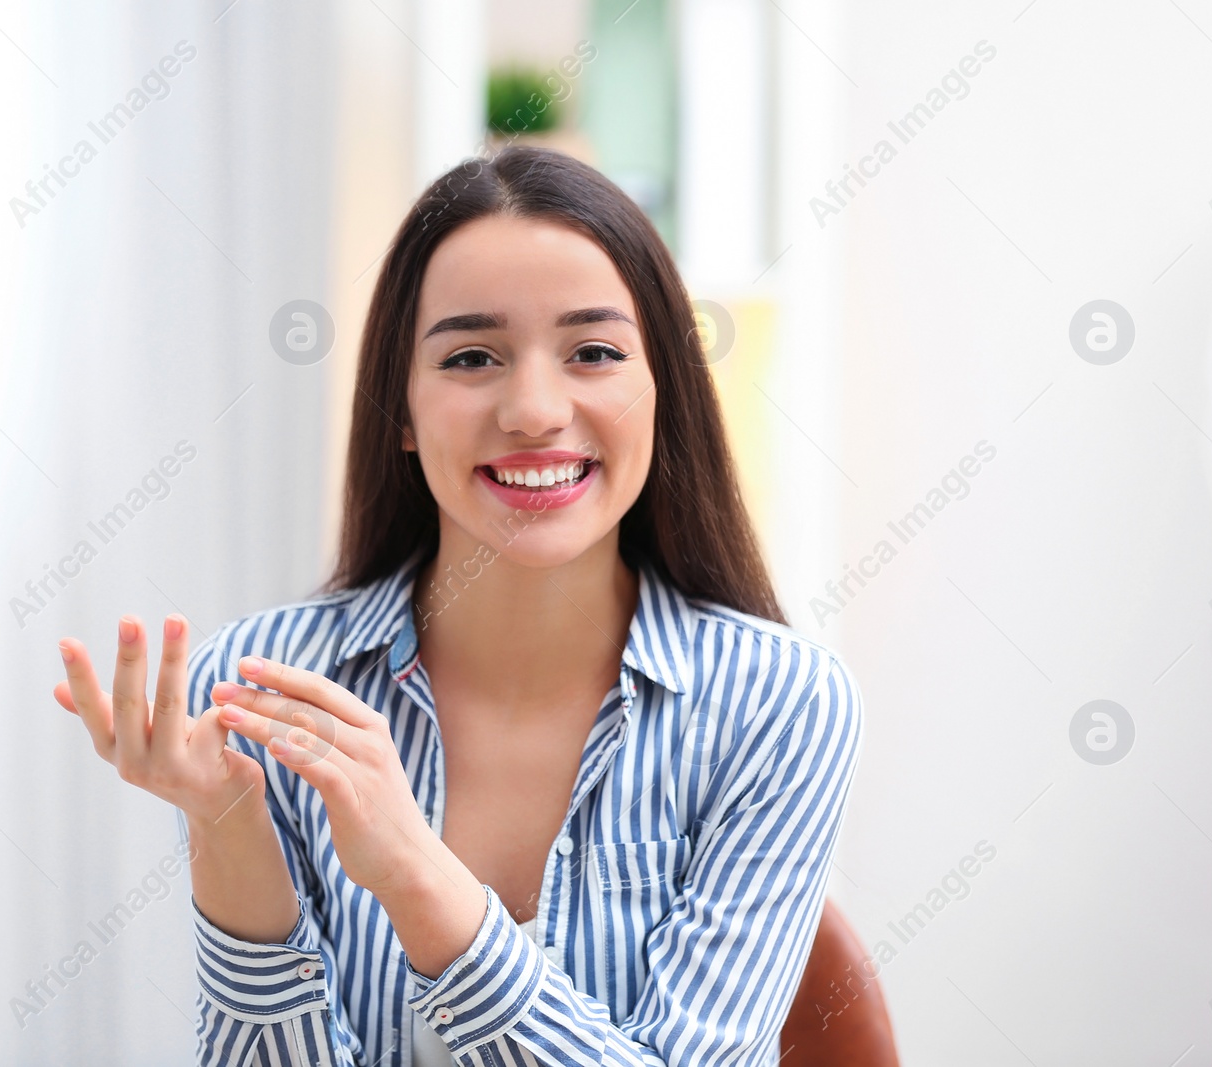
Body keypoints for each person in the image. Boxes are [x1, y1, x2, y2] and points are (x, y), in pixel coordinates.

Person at [52, 146, 864, 1065]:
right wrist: (231, 835)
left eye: (593, 352)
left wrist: (415, 874)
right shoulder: (263, 693)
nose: (532, 408)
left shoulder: (780, 701)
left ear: (662, 392)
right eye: (471, 356)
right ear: (400, 407)